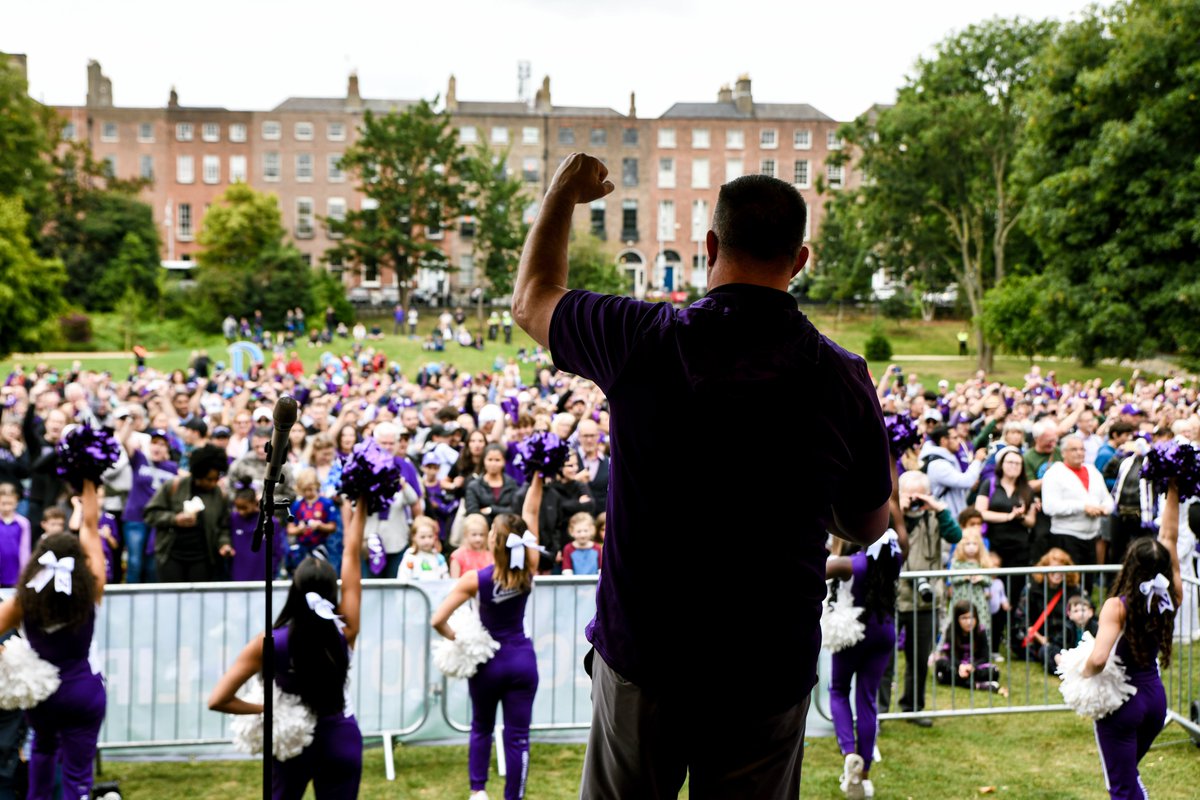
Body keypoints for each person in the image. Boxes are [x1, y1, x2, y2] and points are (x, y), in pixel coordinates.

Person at [513, 158, 891, 796]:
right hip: (766, 667)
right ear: (799, 261)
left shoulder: (644, 338)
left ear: (710, 245)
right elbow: (867, 520)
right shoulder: (842, 375)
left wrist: (561, 196)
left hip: (645, 656)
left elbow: (532, 298)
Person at [209, 490, 367, 799]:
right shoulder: (345, 630)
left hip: (294, 741)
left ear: (294, 591)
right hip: (341, 739)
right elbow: (351, 558)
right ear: (330, 595)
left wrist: (268, 709)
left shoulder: (268, 643)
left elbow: (218, 699)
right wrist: (361, 507)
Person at [431, 472, 543, 800]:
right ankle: (514, 796)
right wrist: (538, 476)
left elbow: (437, 619)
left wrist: (461, 640)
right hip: (523, 661)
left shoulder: (473, 579)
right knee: (518, 736)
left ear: (494, 540)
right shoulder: (529, 567)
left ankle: (478, 791)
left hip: (488, 662)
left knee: (481, 728)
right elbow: (531, 513)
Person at [0, 479, 106, 800]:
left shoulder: (23, 600)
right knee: (78, 774)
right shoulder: (91, 588)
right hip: (83, 692)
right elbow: (90, 526)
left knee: (43, 753)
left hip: (43, 694)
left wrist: (8, 656)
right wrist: (89, 480)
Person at [1084, 482, 1182, 800]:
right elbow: (1169, 537)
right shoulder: (1172, 595)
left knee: (1122, 787)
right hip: (1155, 699)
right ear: (1166, 567)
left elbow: (1098, 659)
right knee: (1128, 775)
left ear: (1130, 564)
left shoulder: (1118, 605)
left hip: (1123, 701)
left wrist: (1079, 673)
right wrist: (1174, 488)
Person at [826, 526, 906, 800]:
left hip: (852, 632)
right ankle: (866, 773)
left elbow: (819, 569)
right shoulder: (894, 562)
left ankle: (850, 754)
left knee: (838, 690)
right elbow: (902, 536)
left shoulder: (853, 565)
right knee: (867, 700)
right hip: (884, 631)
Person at [882, 470, 963, 727]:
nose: (916, 500)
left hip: (925, 601)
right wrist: (899, 512)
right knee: (884, 659)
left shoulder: (935, 517)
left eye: (921, 494)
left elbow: (955, 536)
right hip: (892, 597)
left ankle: (913, 708)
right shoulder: (890, 518)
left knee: (918, 659)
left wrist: (938, 508)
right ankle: (879, 712)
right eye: (910, 494)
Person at [144, 445, 234, 582]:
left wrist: (224, 544)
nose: (213, 483)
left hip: (203, 558)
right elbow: (150, 514)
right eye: (209, 479)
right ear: (198, 475)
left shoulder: (219, 495)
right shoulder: (173, 486)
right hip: (171, 555)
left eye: (216, 479)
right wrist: (174, 519)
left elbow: (223, 526)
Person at [1041, 435, 1113, 572]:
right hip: (1066, 535)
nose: (1079, 452)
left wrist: (1105, 509)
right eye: (1074, 449)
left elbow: (1107, 498)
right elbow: (1049, 506)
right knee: (1070, 582)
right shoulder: (1054, 474)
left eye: (1082, 449)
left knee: (1088, 581)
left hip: (1092, 535)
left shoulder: (1092, 471)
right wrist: (1082, 507)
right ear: (1063, 453)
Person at [1018, 547, 1079, 672]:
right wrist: (1041, 639)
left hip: (1067, 639)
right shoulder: (1032, 589)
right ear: (1045, 568)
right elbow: (1021, 620)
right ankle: (1064, 667)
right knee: (1048, 651)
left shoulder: (1074, 590)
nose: (1058, 573)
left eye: (1062, 568)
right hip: (1040, 642)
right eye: (1054, 568)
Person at [932, 600, 1004, 693]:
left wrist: (972, 666)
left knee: (994, 671)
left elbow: (985, 657)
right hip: (957, 665)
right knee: (941, 665)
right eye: (964, 618)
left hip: (974, 666)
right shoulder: (951, 630)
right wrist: (960, 666)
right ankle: (978, 684)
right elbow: (950, 654)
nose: (969, 622)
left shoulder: (981, 631)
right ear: (957, 619)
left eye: (971, 617)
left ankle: (965, 682)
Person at [918, 425, 986, 518]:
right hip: (947, 518)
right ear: (943, 441)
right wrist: (977, 460)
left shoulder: (947, 459)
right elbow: (966, 481)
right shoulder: (938, 465)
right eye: (955, 438)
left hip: (953, 515)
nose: (959, 441)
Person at [465, 444, 520, 527]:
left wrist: (491, 509)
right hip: (482, 529)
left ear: (504, 462)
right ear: (484, 461)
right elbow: (473, 511)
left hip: (507, 529)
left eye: (497, 460)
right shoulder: (474, 486)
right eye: (490, 460)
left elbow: (515, 510)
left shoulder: (512, 484)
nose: (493, 464)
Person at [397, 516, 449, 581]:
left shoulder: (439, 558)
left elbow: (445, 579)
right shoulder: (410, 557)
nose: (427, 541)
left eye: (430, 536)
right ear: (414, 537)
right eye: (422, 537)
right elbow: (403, 578)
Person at [0, 484, 31, 588]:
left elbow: (25, 549)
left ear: (16, 503)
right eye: (3, 503)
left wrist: (24, 572)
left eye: (10, 503)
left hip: (14, 569)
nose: (6, 507)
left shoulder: (23, 523)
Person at [450, 513, 494, 578]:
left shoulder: (490, 555)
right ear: (465, 534)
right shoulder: (458, 556)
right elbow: (454, 581)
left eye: (481, 534)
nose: (478, 539)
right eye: (474, 534)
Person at [560, 512, 602, 576]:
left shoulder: (597, 548)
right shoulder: (568, 548)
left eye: (585, 531)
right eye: (579, 531)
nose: (582, 535)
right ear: (571, 531)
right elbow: (567, 570)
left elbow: (601, 569)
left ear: (592, 530)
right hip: (575, 584)